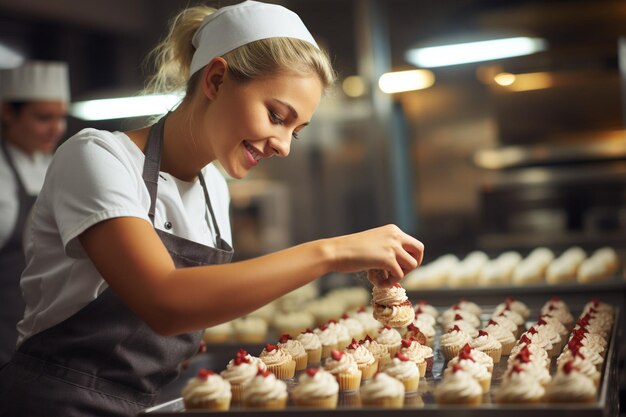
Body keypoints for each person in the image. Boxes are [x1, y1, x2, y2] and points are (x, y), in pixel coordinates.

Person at [0, 1, 424, 416]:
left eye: (295, 131)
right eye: (277, 116)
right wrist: (331, 253)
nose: (282, 145)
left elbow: (183, 316)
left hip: (148, 402)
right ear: (217, 80)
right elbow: (164, 301)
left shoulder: (213, 190)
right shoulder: (97, 157)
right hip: (60, 402)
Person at [0, 60, 70, 365]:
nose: (56, 128)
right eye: (43, 118)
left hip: (52, 347)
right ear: (7, 112)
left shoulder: (59, 167)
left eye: (61, 117)